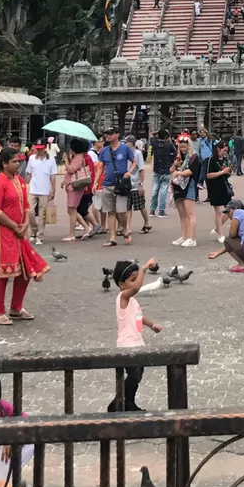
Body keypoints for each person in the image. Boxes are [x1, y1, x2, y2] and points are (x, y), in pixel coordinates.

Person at [0, 149, 49, 326]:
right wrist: (15, 226)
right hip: (1, 234)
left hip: (18, 233)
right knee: (1, 274)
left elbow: (25, 205)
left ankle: (16, 307)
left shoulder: (20, 180)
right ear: (4, 164)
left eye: (19, 161)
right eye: (14, 161)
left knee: (25, 271)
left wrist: (23, 225)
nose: (18, 164)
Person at [108, 258, 161, 412]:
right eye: (132, 279)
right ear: (121, 285)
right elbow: (137, 288)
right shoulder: (122, 298)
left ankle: (127, 401)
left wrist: (152, 325)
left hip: (137, 343)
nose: (137, 282)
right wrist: (143, 269)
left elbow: (139, 316)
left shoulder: (132, 301)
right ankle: (118, 402)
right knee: (134, 375)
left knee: (137, 375)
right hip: (127, 345)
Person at [99, 128, 136, 247]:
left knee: (121, 211)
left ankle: (125, 228)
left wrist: (129, 171)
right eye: (107, 134)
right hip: (107, 183)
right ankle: (112, 237)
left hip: (121, 184)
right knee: (110, 212)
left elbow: (134, 161)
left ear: (117, 134)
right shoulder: (104, 150)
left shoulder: (125, 148)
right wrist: (96, 183)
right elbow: (100, 167)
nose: (108, 136)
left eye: (111, 134)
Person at [170, 135, 199, 247]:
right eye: (181, 147)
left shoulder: (193, 157)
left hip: (189, 184)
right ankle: (184, 236)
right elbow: (171, 170)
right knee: (182, 214)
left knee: (190, 213)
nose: (183, 149)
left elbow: (191, 171)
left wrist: (178, 173)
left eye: (184, 147)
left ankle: (192, 238)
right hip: (178, 185)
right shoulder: (178, 157)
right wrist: (175, 165)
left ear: (189, 146)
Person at [62, 139, 94, 242]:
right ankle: (85, 227)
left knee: (72, 209)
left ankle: (73, 233)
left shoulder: (79, 158)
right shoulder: (77, 157)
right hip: (72, 185)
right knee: (71, 210)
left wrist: (66, 160)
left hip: (75, 187)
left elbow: (71, 170)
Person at [25, 143, 57, 245]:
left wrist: (53, 190)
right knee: (30, 212)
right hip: (33, 189)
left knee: (42, 214)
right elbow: (29, 174)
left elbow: (53, 176)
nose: (38, 151)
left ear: (45, 149)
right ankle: (34, 230)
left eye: (41, 149)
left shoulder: (51, 159)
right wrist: (27, 186)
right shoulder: (32, 158)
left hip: (45, 190)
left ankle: (40, 235)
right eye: (37, 149)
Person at [205, 141, 233, 243]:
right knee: (218, 211)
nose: (225, 153)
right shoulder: (211, 160)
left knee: (230, 209)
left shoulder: (225, 159)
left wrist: (228, 172)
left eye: (226, 151)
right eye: (224, 150)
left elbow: (225, 174)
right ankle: (220, 234)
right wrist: (222, 172)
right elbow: (208, 175)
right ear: (218, 149)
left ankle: (218, 228)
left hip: (224, 186)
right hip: (214, 187)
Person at [125, 135, 151, 235]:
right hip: (126, 184)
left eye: (127, 142)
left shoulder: (137, 153)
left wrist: (141, 184)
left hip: (135, 183)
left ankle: (147, 222)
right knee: (127, 207)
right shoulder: (125, 153)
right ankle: (127, 226)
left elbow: (141, 169)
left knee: (140, 205)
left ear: (131, 143)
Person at [150, 128, 175, 218]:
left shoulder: (155, 143)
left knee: (154, 190)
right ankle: (161, 211)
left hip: (156, 169)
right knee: (163, 191)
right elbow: (174, 152)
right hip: (166, 169)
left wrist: (158, 131)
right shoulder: (168, 144)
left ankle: (152, 210)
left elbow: (151, 135)